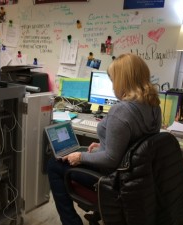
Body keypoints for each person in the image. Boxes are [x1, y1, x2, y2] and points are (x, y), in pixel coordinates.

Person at [47, 53, 162, 225]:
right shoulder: (154, 106)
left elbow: (110, 160)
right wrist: (104, 144)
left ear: (123, 80)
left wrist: (80, 157)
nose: (113, 84)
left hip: (113, 179)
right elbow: (134, 145)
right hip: (135, 177)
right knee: (75, 154)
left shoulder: (121, 110)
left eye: (114, 79)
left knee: (54, 164)